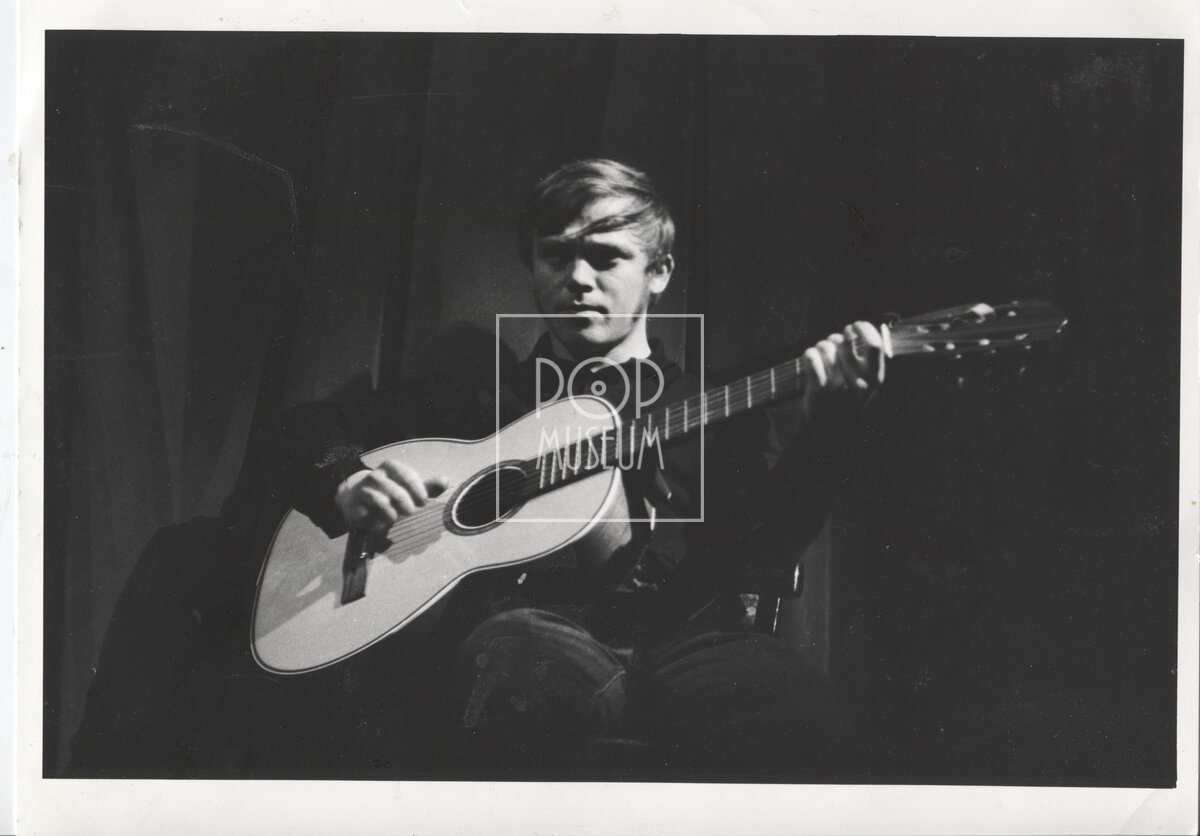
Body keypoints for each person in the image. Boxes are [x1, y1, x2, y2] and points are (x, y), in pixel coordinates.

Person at [279, 158, 885, 778]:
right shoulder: (480, 400)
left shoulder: (717, 408)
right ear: (532, 269)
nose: (577, 278)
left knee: (801, 717)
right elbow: (303, 427)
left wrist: (826, 433)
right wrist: (347, 482)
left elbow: (760, 558)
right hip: (529, 633)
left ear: (659, 272)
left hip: (689, 637)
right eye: (555, 255)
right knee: (512, 674)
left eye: (606, 257)